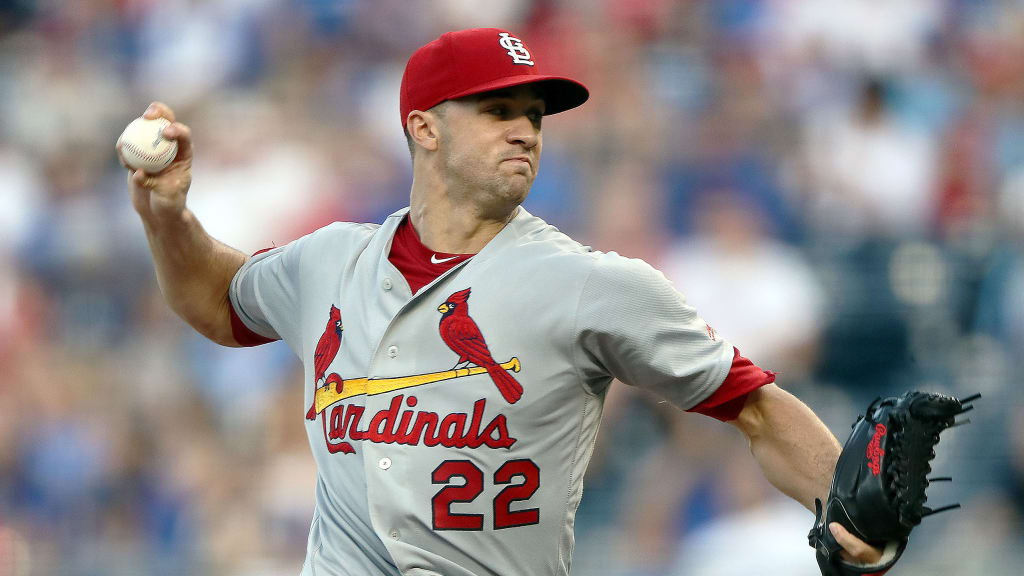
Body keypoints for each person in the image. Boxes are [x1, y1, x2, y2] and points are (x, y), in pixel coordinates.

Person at [118, 27, 886, 576]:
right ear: (423, 127)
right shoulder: (330, 261)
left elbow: (755, 405)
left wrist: (854, 519)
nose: (524, 130)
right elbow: (216, 300)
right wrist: (166, 215)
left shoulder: (592, 284)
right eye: (497, 111)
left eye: (533, 115)